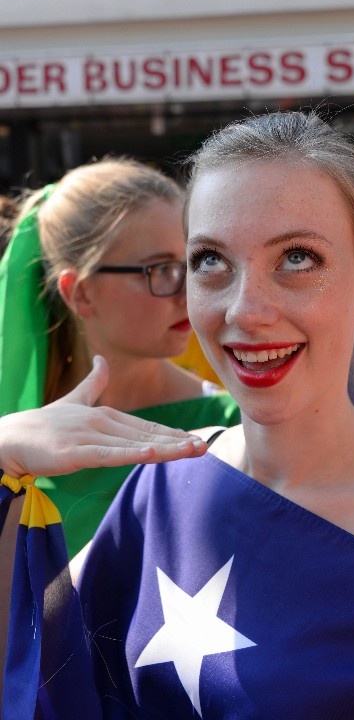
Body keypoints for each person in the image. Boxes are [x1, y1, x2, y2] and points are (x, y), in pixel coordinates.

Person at [1, 111, 354, 719]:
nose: (246, 311)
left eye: (298, 258)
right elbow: (34, 674)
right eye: (210, 260)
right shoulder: (164, 483)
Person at [0, 158, 239, 557]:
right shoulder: (13, 437)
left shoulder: (230, 423)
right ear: (80, 293)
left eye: (198, 263)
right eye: (161, 269)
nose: (189, 292)